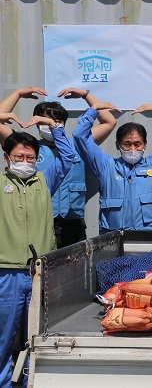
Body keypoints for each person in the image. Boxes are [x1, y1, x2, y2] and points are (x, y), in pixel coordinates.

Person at [0, 113, 74, 388]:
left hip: (39, 273)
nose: (25, 162)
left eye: (30, 158)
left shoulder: (44, 181)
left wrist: (55, 126)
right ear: (7, 158)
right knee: (3, 336)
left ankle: (35, 381)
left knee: (39, 336)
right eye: (19, 157)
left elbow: (67, 158)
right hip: (5, 273)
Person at [0, 87, 117, 246]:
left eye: (56, 121)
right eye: (45, 120)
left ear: (63, 124)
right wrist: (18, 93)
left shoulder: (77, 144)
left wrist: (86, 95)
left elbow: (109, 122)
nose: (50, 124)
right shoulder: (28, 148)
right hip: (39, 219)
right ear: (37, 122)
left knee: (75, 267)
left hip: (73, 221)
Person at [73, 102, 152, 233]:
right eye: (127, 144)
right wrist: (93, 110)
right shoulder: (106, 166)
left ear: (145, 144)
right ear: (118, 145)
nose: (132, 149)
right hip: (113, 238)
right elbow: (80, 137)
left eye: (137, 144)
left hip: (149, 237)